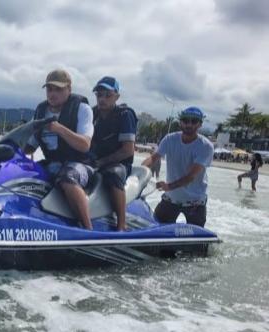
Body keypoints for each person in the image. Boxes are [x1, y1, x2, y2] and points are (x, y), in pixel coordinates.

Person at [26, 69, 94, 229]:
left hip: (81, 164)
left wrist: (59, 129)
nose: (53, 93)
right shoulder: (41, 111)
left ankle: (88, 229)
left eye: (58, 89)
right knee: (22, 174)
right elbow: (30, 145)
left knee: (67, 178)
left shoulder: (82, 109)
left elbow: (85, 145)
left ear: (69, 89)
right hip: (53, 163)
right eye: (49, 89)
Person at [142, 107, 214, 227]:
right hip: (171, 198)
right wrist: (140, 173)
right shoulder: (170, 139)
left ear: (200, 124)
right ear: (180, 122)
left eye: (194, 121)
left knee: (197, 242)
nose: (189, 124)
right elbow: (153, 158)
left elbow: (191, 176)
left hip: (195, 202)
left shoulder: (206, 146)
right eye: (185, 120)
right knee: (155, 230)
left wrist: (169, 186)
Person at [90, 77, 137, 231]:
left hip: (120, 163)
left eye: (107, 95)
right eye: (99, 95)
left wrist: (101, 163)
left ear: (116, 96)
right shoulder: (92, 114)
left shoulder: (125, 115)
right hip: (96, 160)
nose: (102, 99)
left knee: (112, 175)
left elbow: (128, 150)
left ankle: (122, 225)